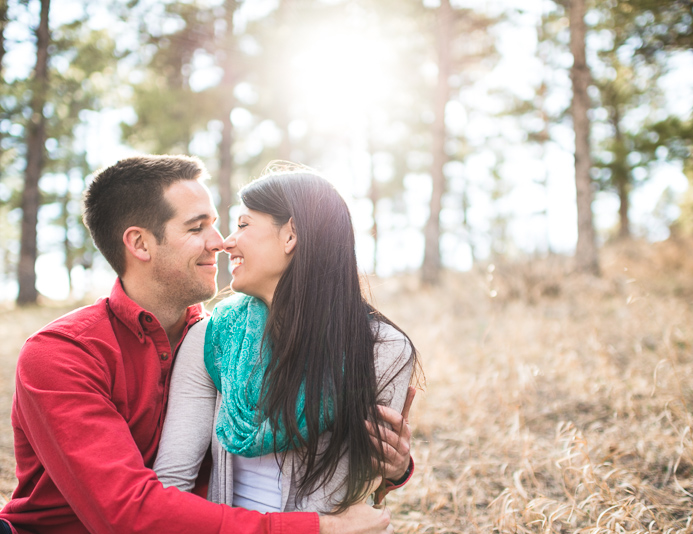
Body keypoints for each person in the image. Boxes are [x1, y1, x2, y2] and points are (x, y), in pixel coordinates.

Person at [0, 155, 411, 534]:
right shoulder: (63, 355)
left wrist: (393, 467)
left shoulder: (213, 334)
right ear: (140, 244)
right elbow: (128, 514)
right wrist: (315, 528)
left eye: (226, 224)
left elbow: (353, 486)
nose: (221, 241)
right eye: (198, 228)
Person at [152, 166, 418, 515]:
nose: (226, 241)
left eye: (244, 225)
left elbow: (353, 496)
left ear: (291, 234)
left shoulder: (382, 350)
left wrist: (395, 472)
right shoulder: (210, 338)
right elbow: (172, 482)